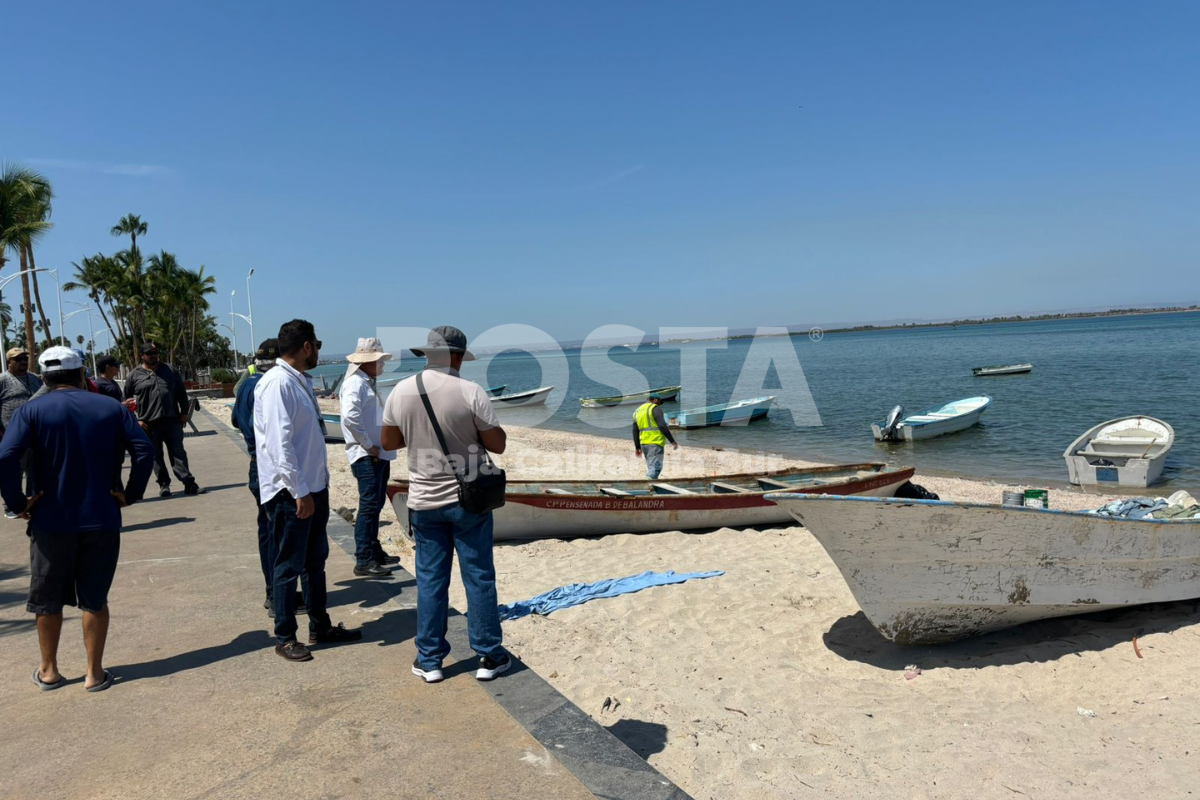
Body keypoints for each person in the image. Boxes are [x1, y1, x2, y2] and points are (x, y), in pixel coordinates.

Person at [0, 346, 154, 692]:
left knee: (48, 598)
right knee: (95, 598)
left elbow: (6, 455)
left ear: (44, 377)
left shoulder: (30, 411)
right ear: (82, 373)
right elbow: (144, 450)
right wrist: (131, 493)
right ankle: (94, 673)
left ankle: (49, 670)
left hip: (49, 519)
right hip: (101, 516)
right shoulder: (110, 408)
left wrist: (17, 502)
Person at [381, 326, 510, 684]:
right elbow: (497, 445)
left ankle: (430, 659)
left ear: (427, 355)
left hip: (423, 501)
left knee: (430, 581)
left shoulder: (400, 391)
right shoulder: (470, 392)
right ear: (456, 357)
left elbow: (389, 441)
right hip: (468, 501)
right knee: (479, 577)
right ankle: (488, 656)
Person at [254, 319, 360, 661]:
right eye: (318, 343)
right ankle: (285, 636)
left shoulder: (298, 380)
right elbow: (278, 443)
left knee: (315, 562)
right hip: (292, 493)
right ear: (306, 347)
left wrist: (317, 486)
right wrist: (299, 492)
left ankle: (321, 626)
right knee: (287, 565)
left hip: (313, 487)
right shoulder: (276, 384)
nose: (319, 349)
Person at [232, 338, 307, 617]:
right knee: (277, 535)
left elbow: (235, 421)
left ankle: (274, 593)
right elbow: (273, 437)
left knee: (268, 532)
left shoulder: (247, 386)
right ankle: (277, 597)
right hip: (268, 467)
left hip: (257, 463)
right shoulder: (268, 385)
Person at [340, 337, 400, 578]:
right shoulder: (355, 383)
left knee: (376, 504)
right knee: (368, 505)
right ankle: (364, 557)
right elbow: (350, 418)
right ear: (367, 362)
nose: (382, 366)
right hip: (367, 454)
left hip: (377, 452)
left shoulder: (366, 382)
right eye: (379, 361)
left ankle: (373, 550)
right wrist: (368, 446)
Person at [123, 342, 204, 497]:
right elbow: (125, 401)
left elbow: (181, 393)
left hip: (172, 420)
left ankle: (188, 483)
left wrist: (184, 413)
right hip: (148, 424)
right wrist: (136, 420)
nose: (153, 356)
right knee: (155, 455)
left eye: (155, 353)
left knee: (178, 453)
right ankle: (164, 485)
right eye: (149, 353)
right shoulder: (134, 375)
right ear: (142, 356)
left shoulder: (169, 370)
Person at [0, 347, 43, 519]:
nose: (23, 362)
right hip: (10, 436)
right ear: (9, 362)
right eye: (18, 359)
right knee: (12, 472)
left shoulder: (34, 379)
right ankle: (12, 505)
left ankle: (32, 502)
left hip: (35, 436)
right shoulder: (2, 380)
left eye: (25, 358)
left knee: (35, 471)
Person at [632, 393, 679, 479]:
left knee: (651, 468)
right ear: (655, 400)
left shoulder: (637, 411)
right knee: (656, 468)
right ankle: (644, 484)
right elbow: (662, 425)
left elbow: (635, 431)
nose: (659, 405)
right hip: (655, 442)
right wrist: (672, 441)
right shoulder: (654, 408)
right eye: (659, 403)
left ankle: (652, 489)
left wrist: (637, 447)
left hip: (644, 444)